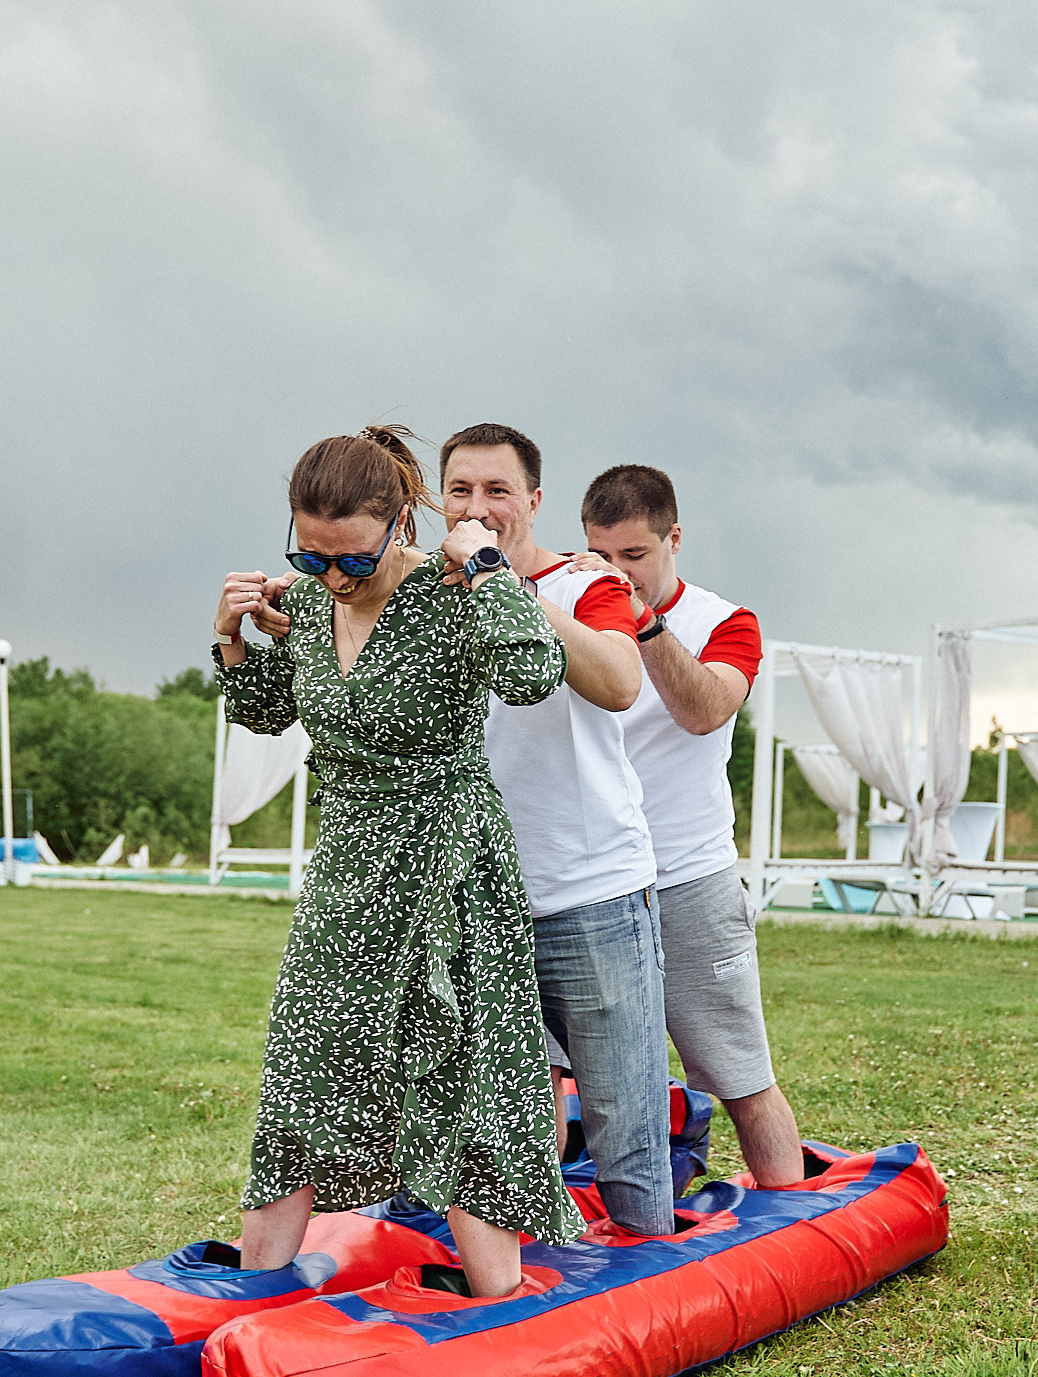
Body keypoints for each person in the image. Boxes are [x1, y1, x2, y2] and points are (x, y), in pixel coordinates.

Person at [212, 425, 579, 1298]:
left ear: (398, 524)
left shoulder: (454, 591)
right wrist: (232, 643)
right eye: (311, 558)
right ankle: (255, 1290)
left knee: (459, 1066)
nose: (332, 577)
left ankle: (498, 1294)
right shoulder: (305, 606)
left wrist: (490, 564)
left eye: (351, 559)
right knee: (306, 1065)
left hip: (448, 863)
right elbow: (270, 711)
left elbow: (532, 673)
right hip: (347, 870)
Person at [437, 422, 675, 1239]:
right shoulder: (426, 599)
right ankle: (536, 1298)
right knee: (504, 1124)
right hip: (484, 901)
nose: (478, 507)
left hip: (595, 890)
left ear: (532, 501)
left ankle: (654, 1288)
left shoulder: (585, 587)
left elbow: (617, 682)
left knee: (625, 1127)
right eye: (461, 490)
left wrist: (505, 585)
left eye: (497, 491)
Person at [575, 463, 809, 1187]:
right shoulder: (563, 610)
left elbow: (705, 709)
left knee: (740, 1074)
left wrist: (641, 622)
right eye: (602, 556)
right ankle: (542, 1263)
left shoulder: (727, 621)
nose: (617, 573)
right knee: (547, 1074)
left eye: (635, 555)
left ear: (674, 538)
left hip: (690, 875)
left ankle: (798, 1225)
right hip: (587, 880)